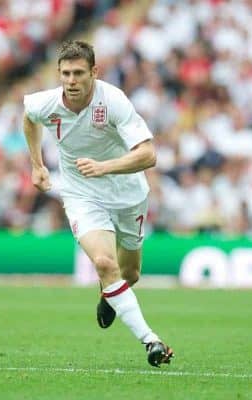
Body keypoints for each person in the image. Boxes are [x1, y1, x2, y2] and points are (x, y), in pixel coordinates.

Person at [23, 40, 173, 367]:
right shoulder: (46, 103)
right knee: (105, 263)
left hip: (128, 194)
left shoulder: (114, 100)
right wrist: (37, 164)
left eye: (78, 73)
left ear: (94, 72)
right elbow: (29, 118)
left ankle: (110, 295)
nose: (71, 80)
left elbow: (148, 154)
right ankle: (152, 341)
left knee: (129, 273)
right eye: (65, 73)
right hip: (81, 194)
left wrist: (104, 167)